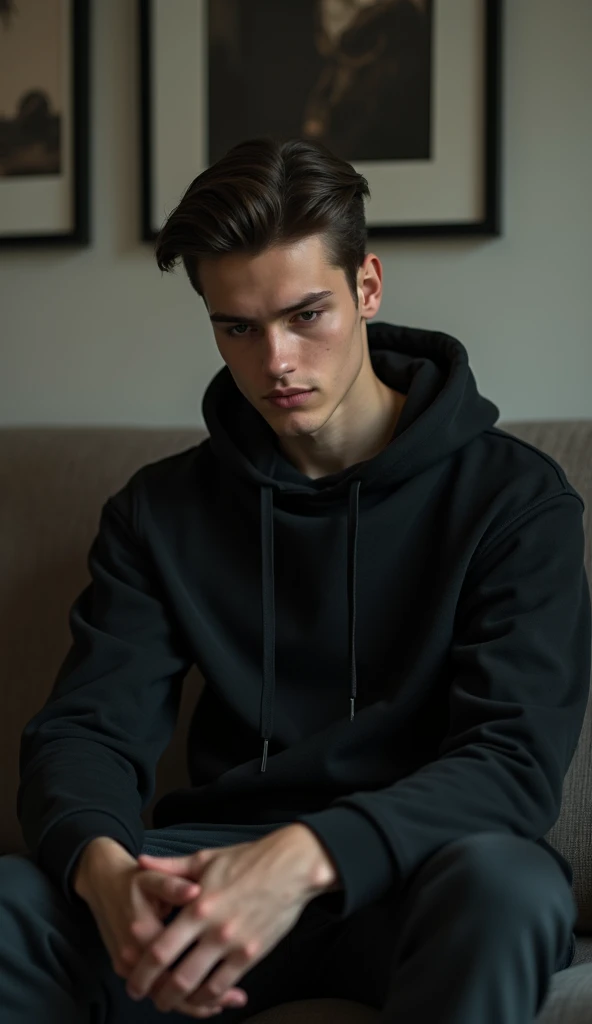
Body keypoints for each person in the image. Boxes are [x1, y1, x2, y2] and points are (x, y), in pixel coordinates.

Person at [1, 135, 590, 1024]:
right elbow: (86, 731)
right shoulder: (157, 513)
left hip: (421, 867)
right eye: (237, 327)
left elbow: (511, 762)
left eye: (305, 315)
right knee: (13, 902)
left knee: (509, 886)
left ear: (368, 288)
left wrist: (307, 853)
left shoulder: (515, 499)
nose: (274, 361)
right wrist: (106, 872)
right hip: (210, 872)